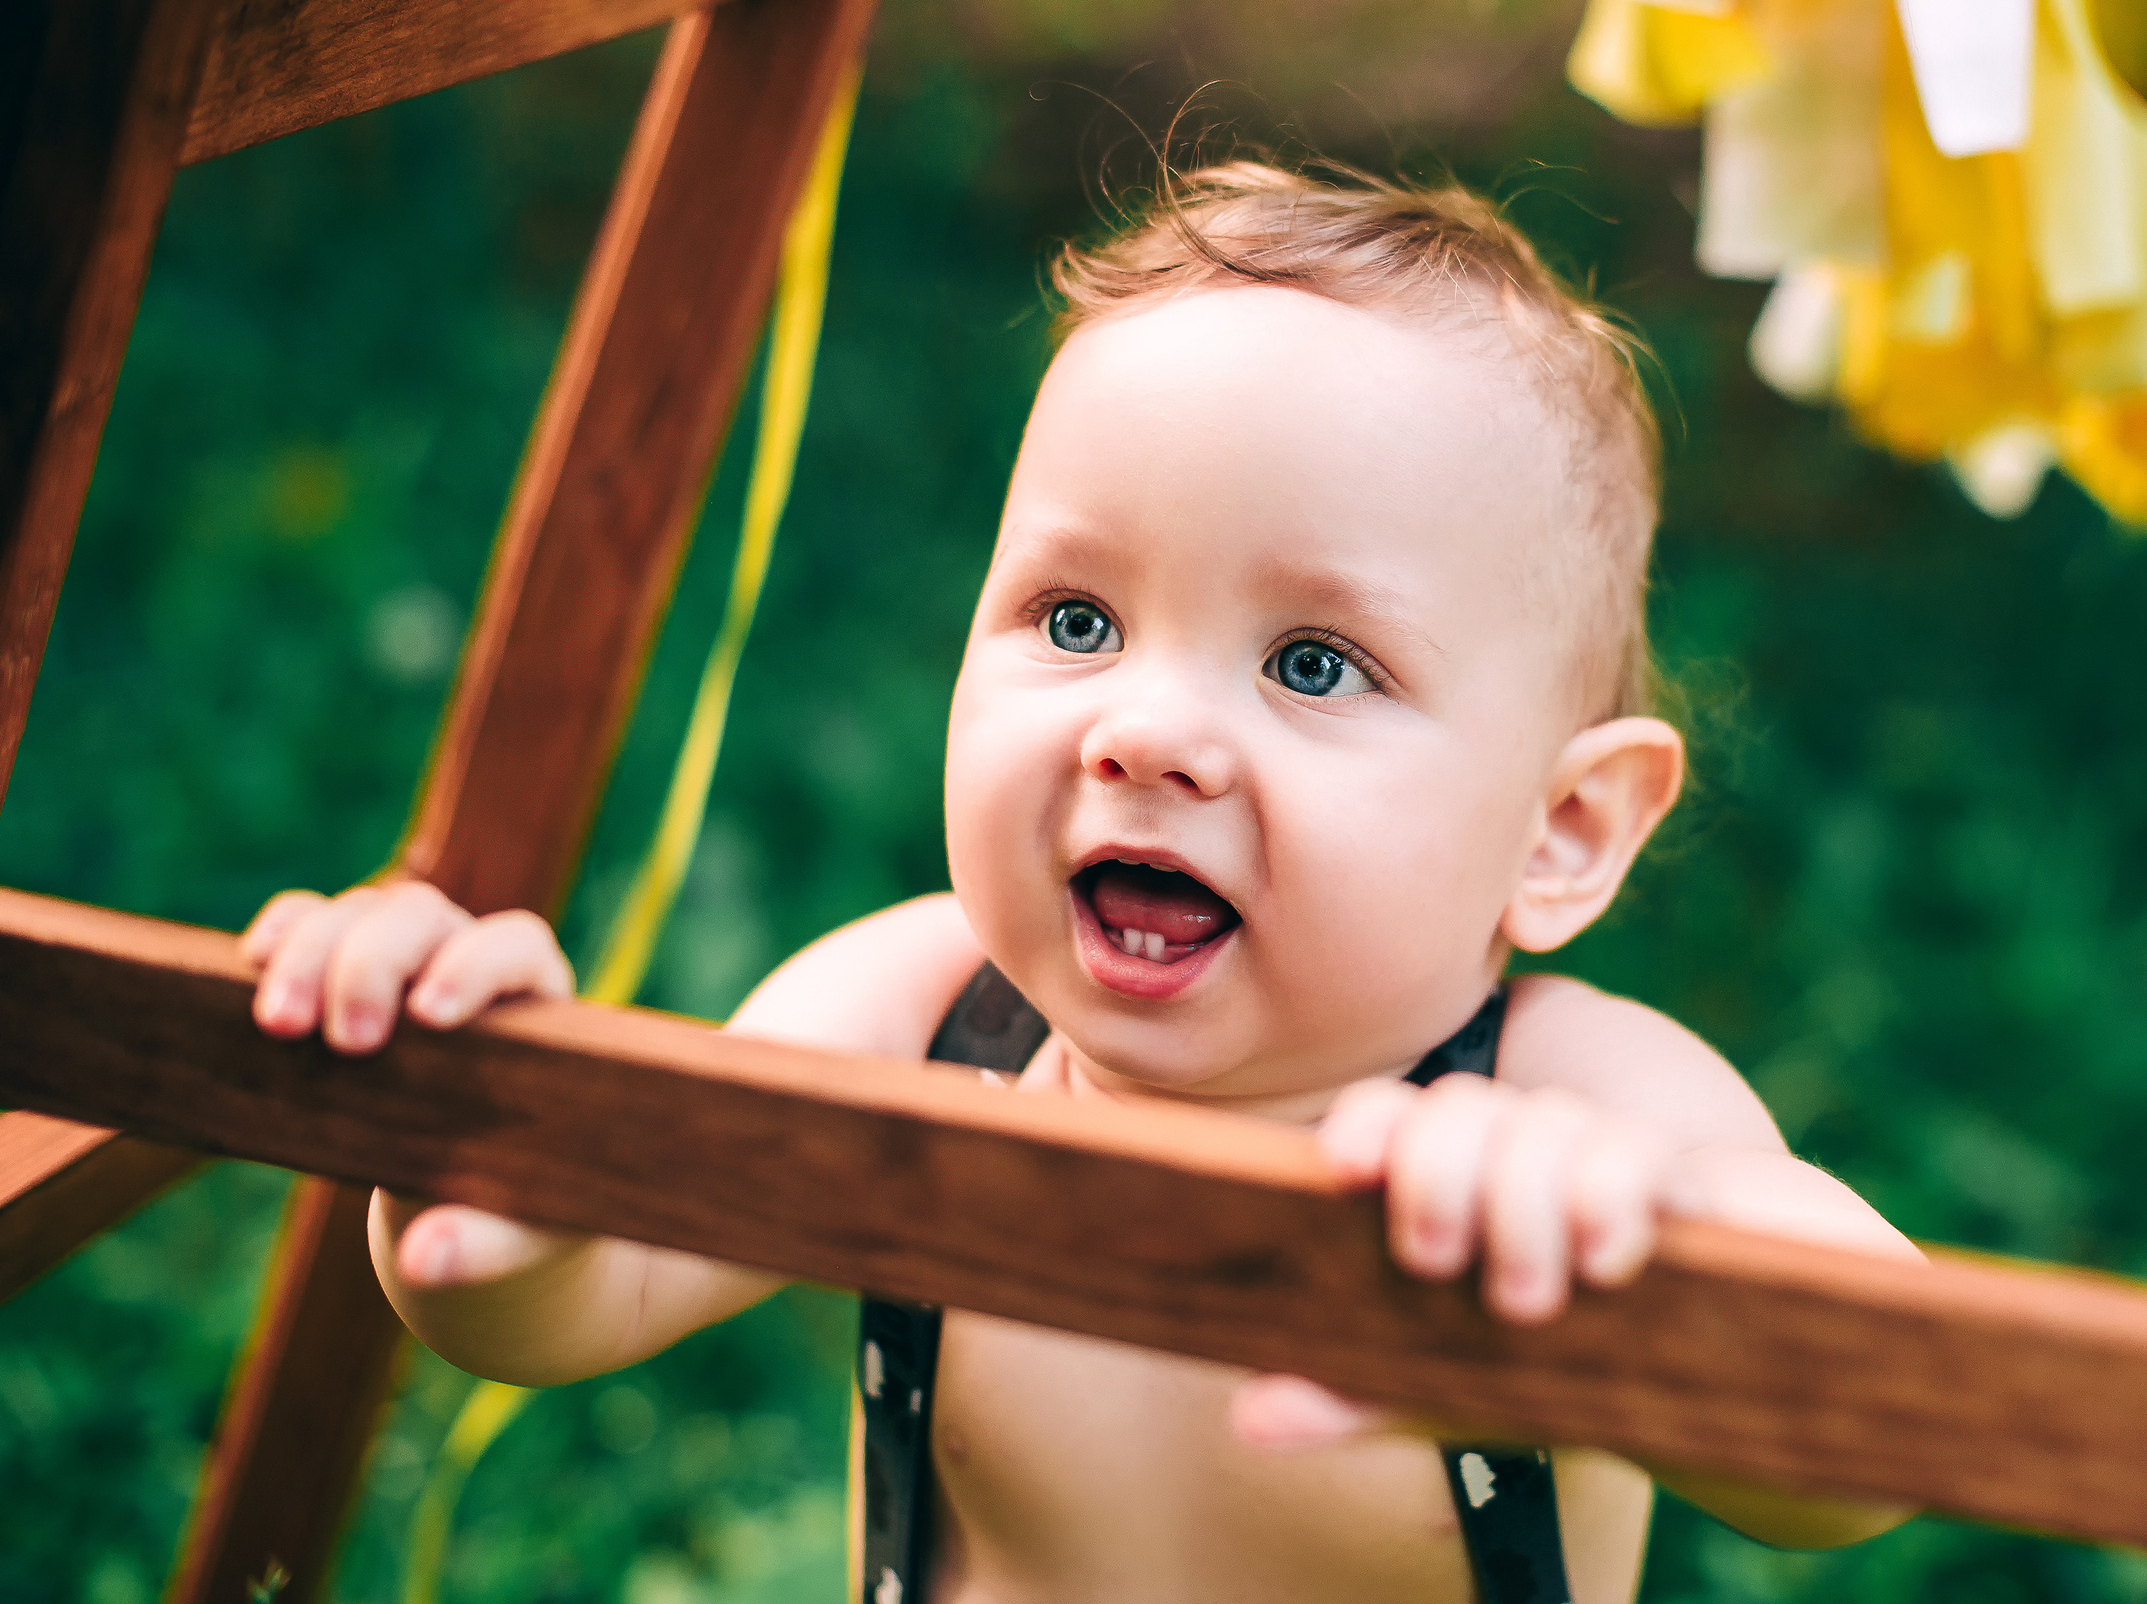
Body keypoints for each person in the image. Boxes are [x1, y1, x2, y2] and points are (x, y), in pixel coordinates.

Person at [243, 161, 1924, 1604]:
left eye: (1318, 664)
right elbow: (570, 1289)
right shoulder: (918, 1016)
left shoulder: (1572, 1099)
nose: (1149, 729)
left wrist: (1635, 1236)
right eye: (1077, 619)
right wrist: (480, 1125)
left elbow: (1864, 1439)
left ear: (1559, 833)